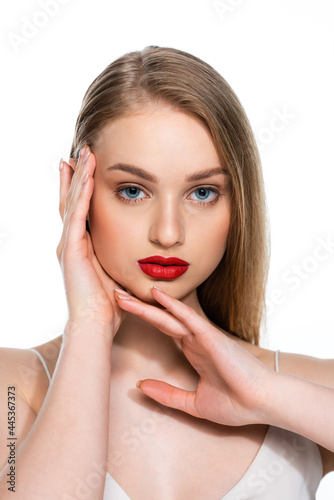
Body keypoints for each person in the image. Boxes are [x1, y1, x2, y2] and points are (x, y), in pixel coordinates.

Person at [0, 45, 333, 500]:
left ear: (238, 206)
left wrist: (265, 394)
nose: (169, 232)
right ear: (80, 191)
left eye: (202, 193)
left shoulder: (307, 387)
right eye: (133, 190)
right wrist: (90, 326)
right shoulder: (13, 387)